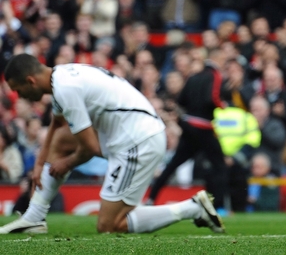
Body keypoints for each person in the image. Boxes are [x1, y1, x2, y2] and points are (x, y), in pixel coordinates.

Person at [0, 54, 223, 234]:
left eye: (18, 90)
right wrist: (40, 165)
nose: (19, 97)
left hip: (138, 141)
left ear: (30, 81)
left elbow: (89, 148)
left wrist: (66, 163)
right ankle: (34, 217)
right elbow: (56, 126)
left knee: (109, 225)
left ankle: (192, 209)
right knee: (61, 138)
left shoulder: (65, 88)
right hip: (127, 133)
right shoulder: (62, 77)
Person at [147, 48, 229, 210]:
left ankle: (151, 197)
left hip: (189, 125)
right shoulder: (214, 75)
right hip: (204, 127)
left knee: (173, 165)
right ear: (217, 59)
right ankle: (218, 205)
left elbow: (182, 101)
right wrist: (222, 105)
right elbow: (212, 97)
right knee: (219, 166)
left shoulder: (192, 78)